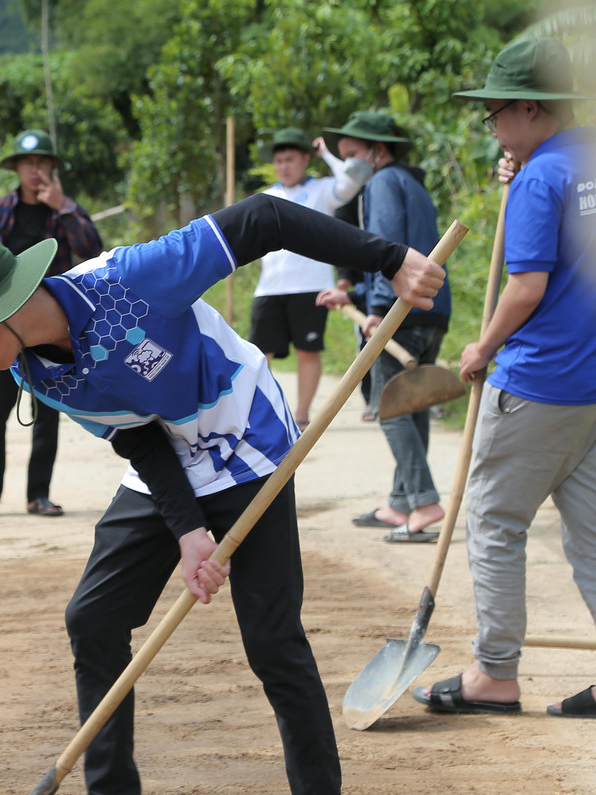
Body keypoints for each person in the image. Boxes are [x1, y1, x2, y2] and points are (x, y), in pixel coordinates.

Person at [0, 194, 445, 795]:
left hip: (248, 444)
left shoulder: (130, 280)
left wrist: (390, 258)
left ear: (1, 309)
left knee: (272, 641)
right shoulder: (35, 368)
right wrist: (189, 530)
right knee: (93, 617)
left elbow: (262, 219)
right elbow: (136, 431)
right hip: (167, 458)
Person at [414, 38, 596, 720]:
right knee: (591, 531)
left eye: (494, 112)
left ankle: (494, 673)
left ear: (530, 107)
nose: (490, 125)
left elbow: (524, 287)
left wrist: (480, 348)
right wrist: (522, 171)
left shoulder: (540, 179)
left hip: (539, 380)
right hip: (591, 383)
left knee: (493, 521)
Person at [318, 112, 452, 542]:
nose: (350, 165)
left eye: (354, 155)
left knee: (388, 404)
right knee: (412, 403)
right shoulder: (413, 184)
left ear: (378, 150)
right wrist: (356, 296)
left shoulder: (382, 184)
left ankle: (425, 502)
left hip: (402, 310)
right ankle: (400, 502)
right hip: (431, 309)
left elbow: (390, 252)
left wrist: (376, 307)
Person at [0, 129, 104, 517]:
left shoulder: (68, 210)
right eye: (28, 163)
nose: (35, 169)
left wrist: (64, 208)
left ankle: (38, 494)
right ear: (17, 168)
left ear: (52, 169)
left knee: (48, 408)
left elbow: (94, 252)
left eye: (42, 163)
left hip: (48, 325)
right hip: (0, 326)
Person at [247, 128, 367, 427]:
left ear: (305, 159)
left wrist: (326, 154)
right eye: (278, 161)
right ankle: (261, 416)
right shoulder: (266, 197)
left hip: (311, 287)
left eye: (290, 159)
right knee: (258, 356)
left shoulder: (323, 189)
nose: (284, 166)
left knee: (307, 351)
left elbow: (352, 181)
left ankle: (301, 417)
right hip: (269, 289)